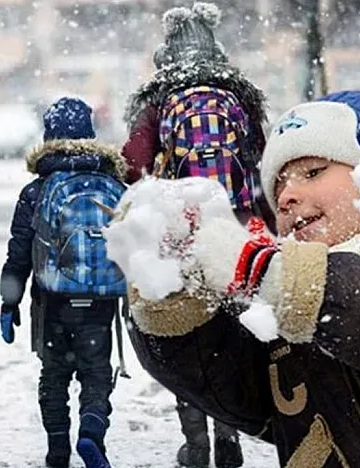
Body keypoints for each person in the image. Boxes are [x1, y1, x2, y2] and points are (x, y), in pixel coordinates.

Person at [124, 90, 360, 466]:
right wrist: (172, 289)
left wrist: (265, 272)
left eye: (313, 172)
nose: (286, 196)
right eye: (279, 185)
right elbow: (224, 381)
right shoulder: (288, 311)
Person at [120, 3, 272, 466]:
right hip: (239, 226)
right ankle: (230, 434)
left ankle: (197, 442)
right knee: (232, 330)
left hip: (181, 228)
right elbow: (263, 160)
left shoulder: (158, 99)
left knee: (187, 330)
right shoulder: (240, 98)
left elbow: (133, 163)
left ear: (168, 54)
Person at [0, 97, 128, 468]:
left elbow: (19, 253)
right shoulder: (111, 182)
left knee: (53, 375)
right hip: (101, 301)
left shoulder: (36, 191)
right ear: (90, 134)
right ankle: (91, 433)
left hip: (52, 301)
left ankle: (58, 449)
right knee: (96, 373)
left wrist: (9, 302)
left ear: (49, 136)